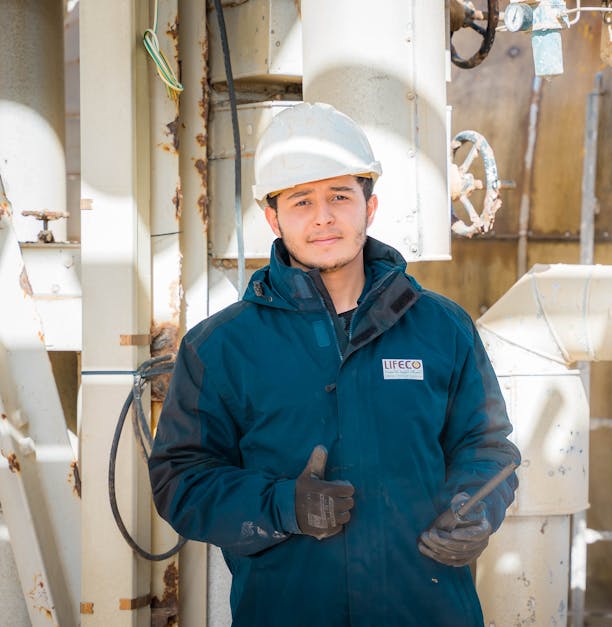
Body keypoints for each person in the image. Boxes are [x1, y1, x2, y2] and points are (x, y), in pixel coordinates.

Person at [149, 102, 520, 626]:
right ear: (272, 217)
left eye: (340, 196)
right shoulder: (221, 347)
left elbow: (488, 449)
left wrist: (475, 508)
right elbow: (180, 480)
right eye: (302, 200)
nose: (323, 216)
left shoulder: (442, 328)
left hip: (427, 609)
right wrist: (282, 506)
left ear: (369, 207)